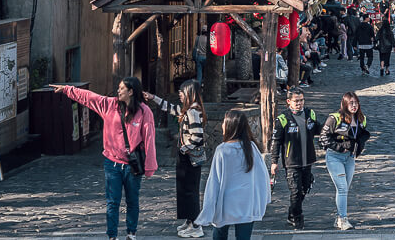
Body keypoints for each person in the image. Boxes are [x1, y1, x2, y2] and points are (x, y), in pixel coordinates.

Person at [52, 78, 157, 240]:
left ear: (131, 91)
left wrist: (150, 166)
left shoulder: (144, 112)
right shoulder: (110, 105)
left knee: (132, 201)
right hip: (112, 164)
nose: (118, 91)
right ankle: (112, 236)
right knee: (112, 203)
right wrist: (67, 89)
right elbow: (88, 97)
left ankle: (131, 233)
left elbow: (149, 139)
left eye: (122, 88)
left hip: (133, 166)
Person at [144, 80, 207, 238]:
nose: (179, 94)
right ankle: (189, 221)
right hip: (185, 156)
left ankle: (196, 226)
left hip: (189, 158)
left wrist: (184, 149)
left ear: (190, 93)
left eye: (182, 91)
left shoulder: (193, 111)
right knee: (184, 190)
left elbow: (198, 137)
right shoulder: (187, 110)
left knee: (190, 192)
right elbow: (169, 108)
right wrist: (153, 97)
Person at [196, 109, 270, 240]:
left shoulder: (223, 150)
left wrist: (209, 206)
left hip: (226, 203)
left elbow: (214, 182)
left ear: (230, 126)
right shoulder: (252, 147)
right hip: (247, 203)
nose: (222, 125)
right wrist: (263, 199)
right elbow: (262, 177)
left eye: (224, 122)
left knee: (219, 235)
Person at [270, 88, 321, 230]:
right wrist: (274, 161)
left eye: (301, 100)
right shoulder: (283, 119)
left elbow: (319, 129)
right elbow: (276, 141)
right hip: (292, 162)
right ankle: (297, 218)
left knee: (304, 189)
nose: (299, 103)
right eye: (296, 101)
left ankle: (291, 213)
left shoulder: (310, 113)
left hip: (308, 160)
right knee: (296, 191)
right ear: (289, 102)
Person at [319, 92, 371, 230]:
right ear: (345, 104)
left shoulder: (362, 119)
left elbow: (361, 136)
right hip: (334, 156)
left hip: (350, 158)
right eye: (351, 103)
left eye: (356, 102)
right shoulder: (334, 118)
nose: (354, 105)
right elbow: (323, 138)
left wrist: (358, 149)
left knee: (344, 189)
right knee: (342, 188)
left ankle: (338, 219)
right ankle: (343, 219)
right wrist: (340, 148)